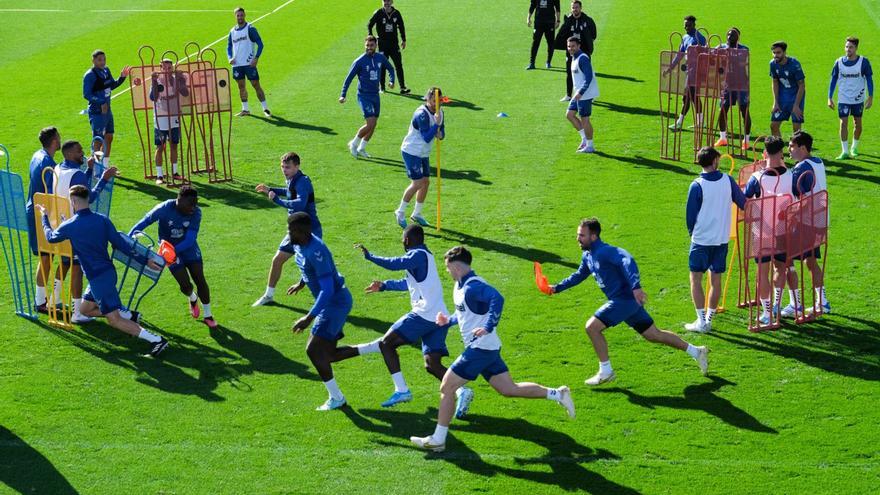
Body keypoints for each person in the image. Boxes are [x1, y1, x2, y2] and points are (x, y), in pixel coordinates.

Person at [409, 246, 575, 453]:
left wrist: (488, 326)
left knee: (447, 387)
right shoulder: (460, 286)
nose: (447, 271)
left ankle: (438, 439)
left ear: (456, 267)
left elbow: (498, 298)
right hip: (488, 348)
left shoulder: (473, 287)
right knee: (508, 389)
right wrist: (448, 321)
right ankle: (558, 394)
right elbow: (465, 313)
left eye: (447, 268)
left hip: (480, 349)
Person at [549, 218, 709, 385]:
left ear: (594, 236)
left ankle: (606, 370)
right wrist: (557, 288)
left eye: (582, 235)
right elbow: (579, 275)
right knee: (654, 335)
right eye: (577, 235)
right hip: (627, 303)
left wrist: (636, 286)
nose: (578, 238)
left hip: (624, 300)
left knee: (592, 328)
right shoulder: (587, 255)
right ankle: (697, 352)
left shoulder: (605, 251)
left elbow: (627, 260)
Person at [352, 225, 475, 409]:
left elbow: (395, 263)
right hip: (438, 316)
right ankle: (461, 391)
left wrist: (371, 257)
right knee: (432, 364)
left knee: (386, 344)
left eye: (403, 238)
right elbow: (407, 283)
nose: (403, 241)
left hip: (425, 315)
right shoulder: (423, 257)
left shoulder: (416, 255)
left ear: (407, 240)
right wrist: (384, 286)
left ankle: (402, 390)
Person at [38, 185, 168, 356]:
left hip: (99, 279)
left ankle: (156, 340)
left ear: (74, 201)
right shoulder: (102, 219)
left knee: (114, 320)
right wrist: (145, 260)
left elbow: (50, 237)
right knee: (84, 310)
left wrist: (44, 217)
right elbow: (122, 245)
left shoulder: (69, 225)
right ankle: (128, 315)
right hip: (105, 274)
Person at [286, 212, 359, 411]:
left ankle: (336, 397)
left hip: (335, 303)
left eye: (292, 230)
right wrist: (302, 283)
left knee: (313, 350)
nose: (289, 232)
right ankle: (377, 346)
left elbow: (328, 289)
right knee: (327, 354)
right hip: (330, 303)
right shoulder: (299, 244)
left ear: (304, 231)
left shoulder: (316, 250)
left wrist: (308, 318)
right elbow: (308, 269)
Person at [129, 186, 216, 328]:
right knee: (185, 285)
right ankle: (192, 297)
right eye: (190, 204)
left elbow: (190, 239)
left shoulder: (196, 213)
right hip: (168, 252)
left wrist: (173, 251)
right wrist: (129, 238)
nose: (193, 207)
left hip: (187, 249)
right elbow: (144, 222)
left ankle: (208, 315)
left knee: (200, 279)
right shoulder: (164, 208)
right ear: (179, 200)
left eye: (195, 203)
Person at [53, 141, 118, 323]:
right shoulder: (77, 174)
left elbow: (79, 188)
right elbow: (88, 197)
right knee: (77, 270)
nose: (83, 153)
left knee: (65, 263)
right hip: (77, 227)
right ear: (70, 154)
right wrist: (104, 178)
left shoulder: (59, 168)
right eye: (79, 151)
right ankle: (77, 313)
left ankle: (54, 299)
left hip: (61, 223)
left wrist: (88, 172)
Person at [685, 147, 746, 332]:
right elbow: (744, 203)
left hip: (701, 240)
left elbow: (690, 216)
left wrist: (693, 233)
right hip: (721, 239)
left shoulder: (696, 185)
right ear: (714, 161)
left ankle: (701, 320)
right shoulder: (728, 180)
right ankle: (708, 320)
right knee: (716, 279)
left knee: (695, 279)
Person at [252, 152, 323, 307]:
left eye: (288, 167)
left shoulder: (303, 182)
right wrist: (271, 189)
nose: (284, 170)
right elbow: (289, 192)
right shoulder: (292, 179)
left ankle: (326, 302)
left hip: (309, 230)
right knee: (277, 260)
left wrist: (276, 200)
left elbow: (300, 203)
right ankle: (268, 295)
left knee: (311, 267)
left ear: (297, 166)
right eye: (283, 167)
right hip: (295, 229)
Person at [742, 136, 792, 325]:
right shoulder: (791, 174)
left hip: (761, 231)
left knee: (762, 272)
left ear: (764, 153)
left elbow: (744, 201)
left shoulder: (757, 177)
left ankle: (767, 312)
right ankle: (776, 305)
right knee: (780, 267)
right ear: (781, 153)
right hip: (783, 229)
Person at [785, 130, 831, 315]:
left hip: (806, 221)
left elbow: (803, 200)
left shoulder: (800, 168)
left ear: (802, 148)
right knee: (810, 261)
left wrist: (789, 215)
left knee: (784, 258)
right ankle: (822, 301)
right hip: (819, 220)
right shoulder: (818, 162)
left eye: (792, 147)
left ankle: (795, 303)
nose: (789, 151)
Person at [394, 87, 445, 228]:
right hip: (411, 150)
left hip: (423, 152)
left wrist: (440, 133)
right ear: (427, 99)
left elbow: (441, 133)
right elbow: (427, 137)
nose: (436, 104)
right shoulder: (421, 114)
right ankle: (400, 211)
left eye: (438, 101)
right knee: (417, 183)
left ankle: (417, 213)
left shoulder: (440, 112)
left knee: (426, 182)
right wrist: (436, 124)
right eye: (433, 101)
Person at [340, 35, 395, 158]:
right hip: (364, 95)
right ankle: (353, 144)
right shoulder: (359, 61)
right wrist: (343, 95)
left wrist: (392, 81)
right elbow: (348, 79)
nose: (369, 48)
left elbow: (391, 68)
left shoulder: (380, 58)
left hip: (375, 95)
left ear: (376, 45)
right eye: (367, 46)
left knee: (374, 124)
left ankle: (362, 148)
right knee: (370, 123)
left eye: (371, 45)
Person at [25, 127, 61, 313]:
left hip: (34, 210)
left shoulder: (37, 155)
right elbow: (51, 192)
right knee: (47, 257)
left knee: (46, 256)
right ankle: (41, 302)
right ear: (54, 141)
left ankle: (43, 299)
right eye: (59, 136)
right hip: (42, 213)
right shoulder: (48, 164)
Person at [82, 50, 131, 167]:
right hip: (97, 112)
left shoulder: (106, 70)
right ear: (93, 60)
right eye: (99, 60)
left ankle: (105, 166)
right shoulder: (89, 75)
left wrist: (122, 78)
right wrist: (101, 101)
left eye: (104, 59)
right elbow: (86, 94)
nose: (102, 62)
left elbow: (111, 85)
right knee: (98, 140)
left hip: (107, 111)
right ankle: (96, 167)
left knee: (109, 137)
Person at [828, 36, 873, 159]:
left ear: (856, 48)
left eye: (851, 47)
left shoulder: (863, 62)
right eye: (847, 46)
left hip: (858, 98)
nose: (848, 49)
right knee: (843, 123)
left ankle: (854, 147)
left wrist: (870, 97)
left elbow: (869, 79)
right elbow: (833, 79)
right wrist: (829, 97)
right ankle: (844, 151)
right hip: (843, 98)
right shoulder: (838, 62)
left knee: (857, 123)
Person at [663, 15, 707, 131]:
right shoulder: (685, 37)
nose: (686, 27)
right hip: (689, 71)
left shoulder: (700, 38)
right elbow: (680, 54)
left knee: (688, 97)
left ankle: (680, 122)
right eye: (685, 25)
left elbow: (707, 54)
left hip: (697, 72)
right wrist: (670, 68)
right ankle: (700, 122)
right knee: (692, 97)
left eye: (688, 25)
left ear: (694, 25)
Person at [150, 59, 189, 185]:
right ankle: (159, 175)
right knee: (160, 146)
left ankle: (175, 172)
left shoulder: (176, 78)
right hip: (160, 117)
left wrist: (181, 80)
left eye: (169, 67)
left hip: (174, 116)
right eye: (164, 68)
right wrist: (154, 81)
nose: (167, 70)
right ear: (160, 68)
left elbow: (185, 92)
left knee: (174, 144)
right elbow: (153, 97)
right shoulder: (157, 80)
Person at [714, 28, 752, 150]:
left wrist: (727, 53)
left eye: (734, 34)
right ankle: (723, 138)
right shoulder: (720, 47)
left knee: (744, 110)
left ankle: (746, 141)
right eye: (729, 33)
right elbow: (710, 57)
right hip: (727, 83)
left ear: (738, 37)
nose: (730, 35)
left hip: (741, 83)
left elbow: (741, 60)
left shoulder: (743, 49)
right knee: (723, 109)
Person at [227, 7, 270, 117]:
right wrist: (230, 57)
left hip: (249, 64)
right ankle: (245, 109)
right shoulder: (232, 31)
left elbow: (260, 44)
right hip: (237, 65)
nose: (240, 17)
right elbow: (229, 46)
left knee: (256, 85)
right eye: (238, 15)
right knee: (241, 86)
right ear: (235, 16)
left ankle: (265, 108)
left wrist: (256, 58)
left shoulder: (250, 28)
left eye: (241, 15)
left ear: (244, 15)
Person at [554, 1, 596, 101]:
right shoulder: (569, 20)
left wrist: (587, 44)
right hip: (571, 52)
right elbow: (562, 34)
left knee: (586, 74)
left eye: (576, 7)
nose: (574, 9)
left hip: (584, 52)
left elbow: (593, 35)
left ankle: (589, 95)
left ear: (580, 8)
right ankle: (569, 95)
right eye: (573, 7)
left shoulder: (588, 20)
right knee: (569, 72)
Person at [367, 0, 410, 94]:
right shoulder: (378, 13)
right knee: (382, 65)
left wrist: (403, 40)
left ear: (392, 2)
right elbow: (369, 25)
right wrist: (371, 37)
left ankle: (402, 88)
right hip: (382, 45)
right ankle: (382, 87)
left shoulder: (396, 13)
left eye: (388, 1)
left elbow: (401, 26)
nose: (386, 3)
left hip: (394, 44)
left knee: (398, 65)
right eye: (384, 1)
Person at [565, 36, 598, 153]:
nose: (570, 48)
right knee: (569, 114)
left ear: (579, 46)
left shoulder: (583, 58)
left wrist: (581, 92)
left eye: (573, 46)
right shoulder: (574, 57)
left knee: (585, 120)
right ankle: (584, 139)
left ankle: (590, 146)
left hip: (584, 94)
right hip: (578, 93)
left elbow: (588, 77)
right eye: (569, 46)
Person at [770, 41, 806, 137]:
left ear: (785, 53)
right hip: (782, 98)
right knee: (773, 126)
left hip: (796, 96)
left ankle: (796, 151)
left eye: (778, 53)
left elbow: (802, 86)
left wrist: (796, 105)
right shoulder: (772, 64)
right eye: (774, 53)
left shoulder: (795, 64)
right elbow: (775, 82)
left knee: (796, 129)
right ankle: (778, 150)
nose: (775, 55)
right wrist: (775, 102)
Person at [526, 0, 560, 70]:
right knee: (535, 42)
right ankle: (532, 63)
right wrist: (528, 18)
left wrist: (558, 20)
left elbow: (557, 7)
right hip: (538, 23)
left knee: (551, 43)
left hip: (550, 22)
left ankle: (548, 62)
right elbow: (532, 6)